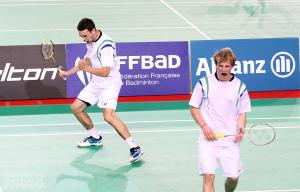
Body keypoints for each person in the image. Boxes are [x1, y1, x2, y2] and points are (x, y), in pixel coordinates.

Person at [59, 18, 143, 163]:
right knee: (76, 108)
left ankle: (134, 147)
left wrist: (87, 69)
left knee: (109, 116)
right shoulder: (90, 42)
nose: (83, 39)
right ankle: (95, 138)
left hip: (110, 83)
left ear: (93, 30)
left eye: (85, 36)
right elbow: (86, 62)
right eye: (81, 36)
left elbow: (105, 71)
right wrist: (68, 73)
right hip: (96, 83)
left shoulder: (106, 46)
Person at [189, 47, 251, 192]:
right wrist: (204, 126)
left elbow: (242, 111)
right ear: (216, 65)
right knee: (208, 177)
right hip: (208, 138)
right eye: (220, 65)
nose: (223, 69)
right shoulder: (204, 83)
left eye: (227, 66)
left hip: (230, 138)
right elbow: (193, 107)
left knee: (233, 178)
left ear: (232, 66)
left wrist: (241, 128)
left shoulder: (240, 87)